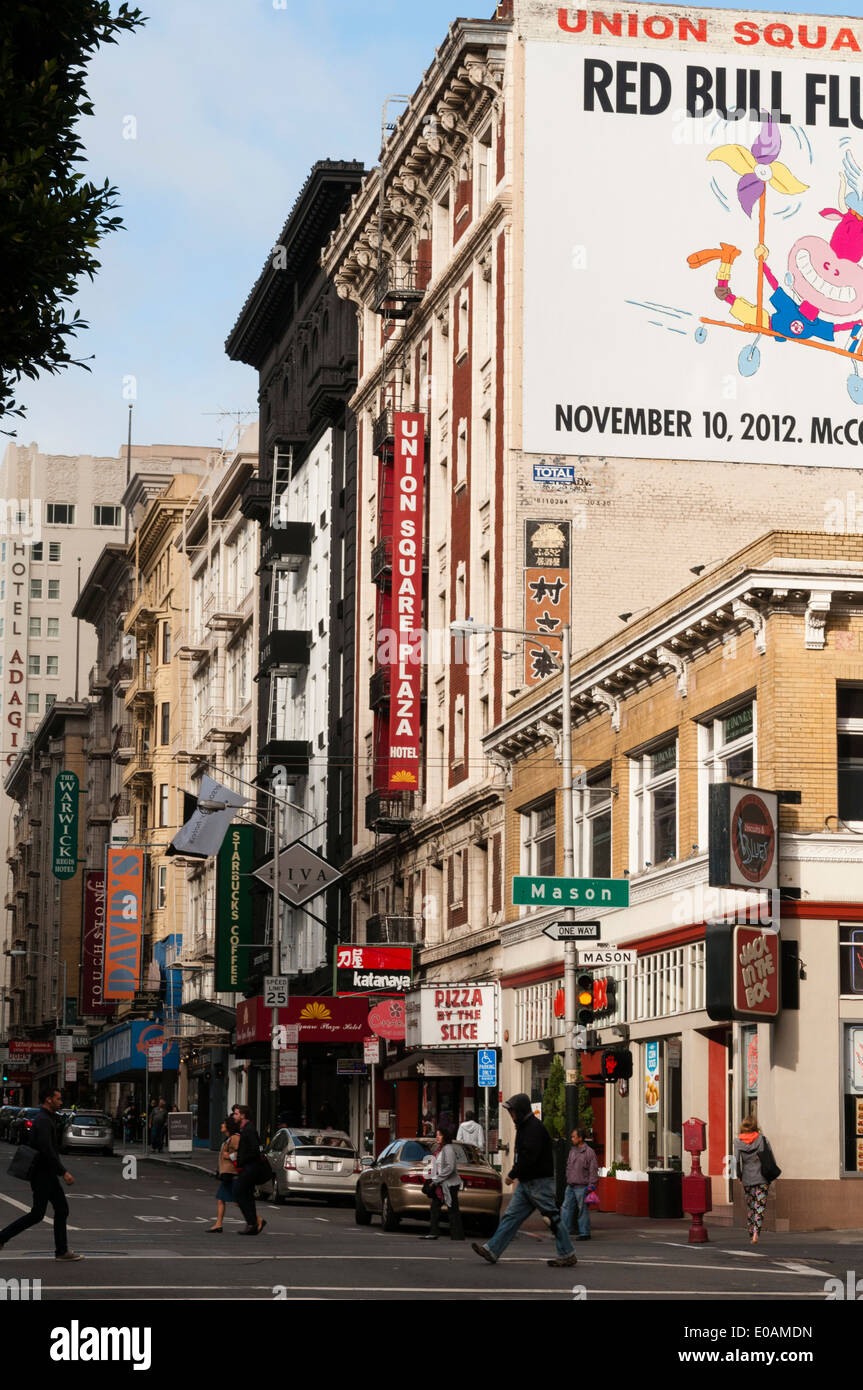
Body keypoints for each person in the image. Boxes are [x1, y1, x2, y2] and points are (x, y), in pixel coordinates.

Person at [471, 1093, 577, 1268]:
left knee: (551, 1218)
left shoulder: (532, 1128)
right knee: (511, 1217)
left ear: (520, 1111)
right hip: (529, 1182)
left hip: (538, 1182)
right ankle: (492, 1250)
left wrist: (512, 1174)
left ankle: (567, 1253)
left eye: (512, 1111)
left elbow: (529, 1156)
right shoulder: (526, 1126)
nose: (510, 1115)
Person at [0, 1086, 82, 1261]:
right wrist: (64, 1172)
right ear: (48, 1100)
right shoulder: (43, 1120)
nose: (61, 1102)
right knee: (39, 1213)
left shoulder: (48, 1118)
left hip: (47, 1173)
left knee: (60, 1209)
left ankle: (61, 1250)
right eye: (58, 1099)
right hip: (42, 1173)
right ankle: (2, 1237)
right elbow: (46, 1149)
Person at [734, 1115, 776, 1245]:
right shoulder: (761, 1139)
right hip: (762, 1177)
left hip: (747, 1177)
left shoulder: (737, 1142)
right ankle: (756, 1233)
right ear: (755, 1126)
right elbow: (769, 1158)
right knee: (760, 1206)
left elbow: (736, 1161)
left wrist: (740, 1176)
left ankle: (751, 1230)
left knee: (751, 1206)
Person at [421, 1127, 464, 1242]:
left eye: (439, 1135)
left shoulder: (448, 1149)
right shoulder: (440, 1149)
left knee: (452, 1210)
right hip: (441, 1185)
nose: (437, 1137)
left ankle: (457, 1236)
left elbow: (449, 1167)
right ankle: (434, 1232)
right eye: (437, 1135)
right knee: (435, 1207)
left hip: (449, 1185)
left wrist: (436, 1180)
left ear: (445, 1136)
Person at [233, 1105, 267, 1235]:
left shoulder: (249, 1129)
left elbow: (255, 1149)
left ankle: (252, 1222)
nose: (234, 1116)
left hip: (251, 1167)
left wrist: (242, 1160)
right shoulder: (245, 1129)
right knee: (247, 1195)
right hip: (248, 1167)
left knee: (239, 1193)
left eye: (236, 1114)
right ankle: (252, 1224)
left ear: (243, 1115)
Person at [561, 1128, 599, 1241]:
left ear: (580, 1138)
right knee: (566, 1208)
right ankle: (564, 1232)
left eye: (574, 1137)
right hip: (571, 1185)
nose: (572, 1139)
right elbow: (568, 1166)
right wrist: (568, 1177)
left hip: (582, 1186)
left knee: (582, 1209)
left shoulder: (589, 1152)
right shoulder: (572, 1151)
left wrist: (592, 1184)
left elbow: (593, 1169)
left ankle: (585, 1233)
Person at [209, 1116, 240, 1233]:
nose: (221, 1125)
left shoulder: (235, 1138)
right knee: (221, 1199)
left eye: (223, 1123)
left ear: (228, 1126)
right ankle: (218, 1224)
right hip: (227, 1174)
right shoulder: (228, 1139)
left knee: (238, 1202)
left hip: (232, 1175)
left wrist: (230, 1156)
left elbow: (242, 1152)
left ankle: (256, 1220)